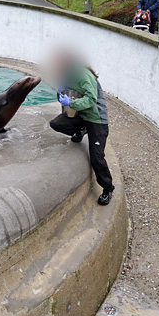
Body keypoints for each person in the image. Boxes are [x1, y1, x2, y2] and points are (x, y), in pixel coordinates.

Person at [49, 55, 115, 206]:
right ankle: (81, 129)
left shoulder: (84, 75)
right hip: (82, 115)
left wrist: (70, 102)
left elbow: (91, 101)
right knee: (56, 123)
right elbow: (64, 97)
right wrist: (59, 94)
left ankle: (108, 188)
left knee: (97, 157)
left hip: (97, 119)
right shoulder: (67, 75)